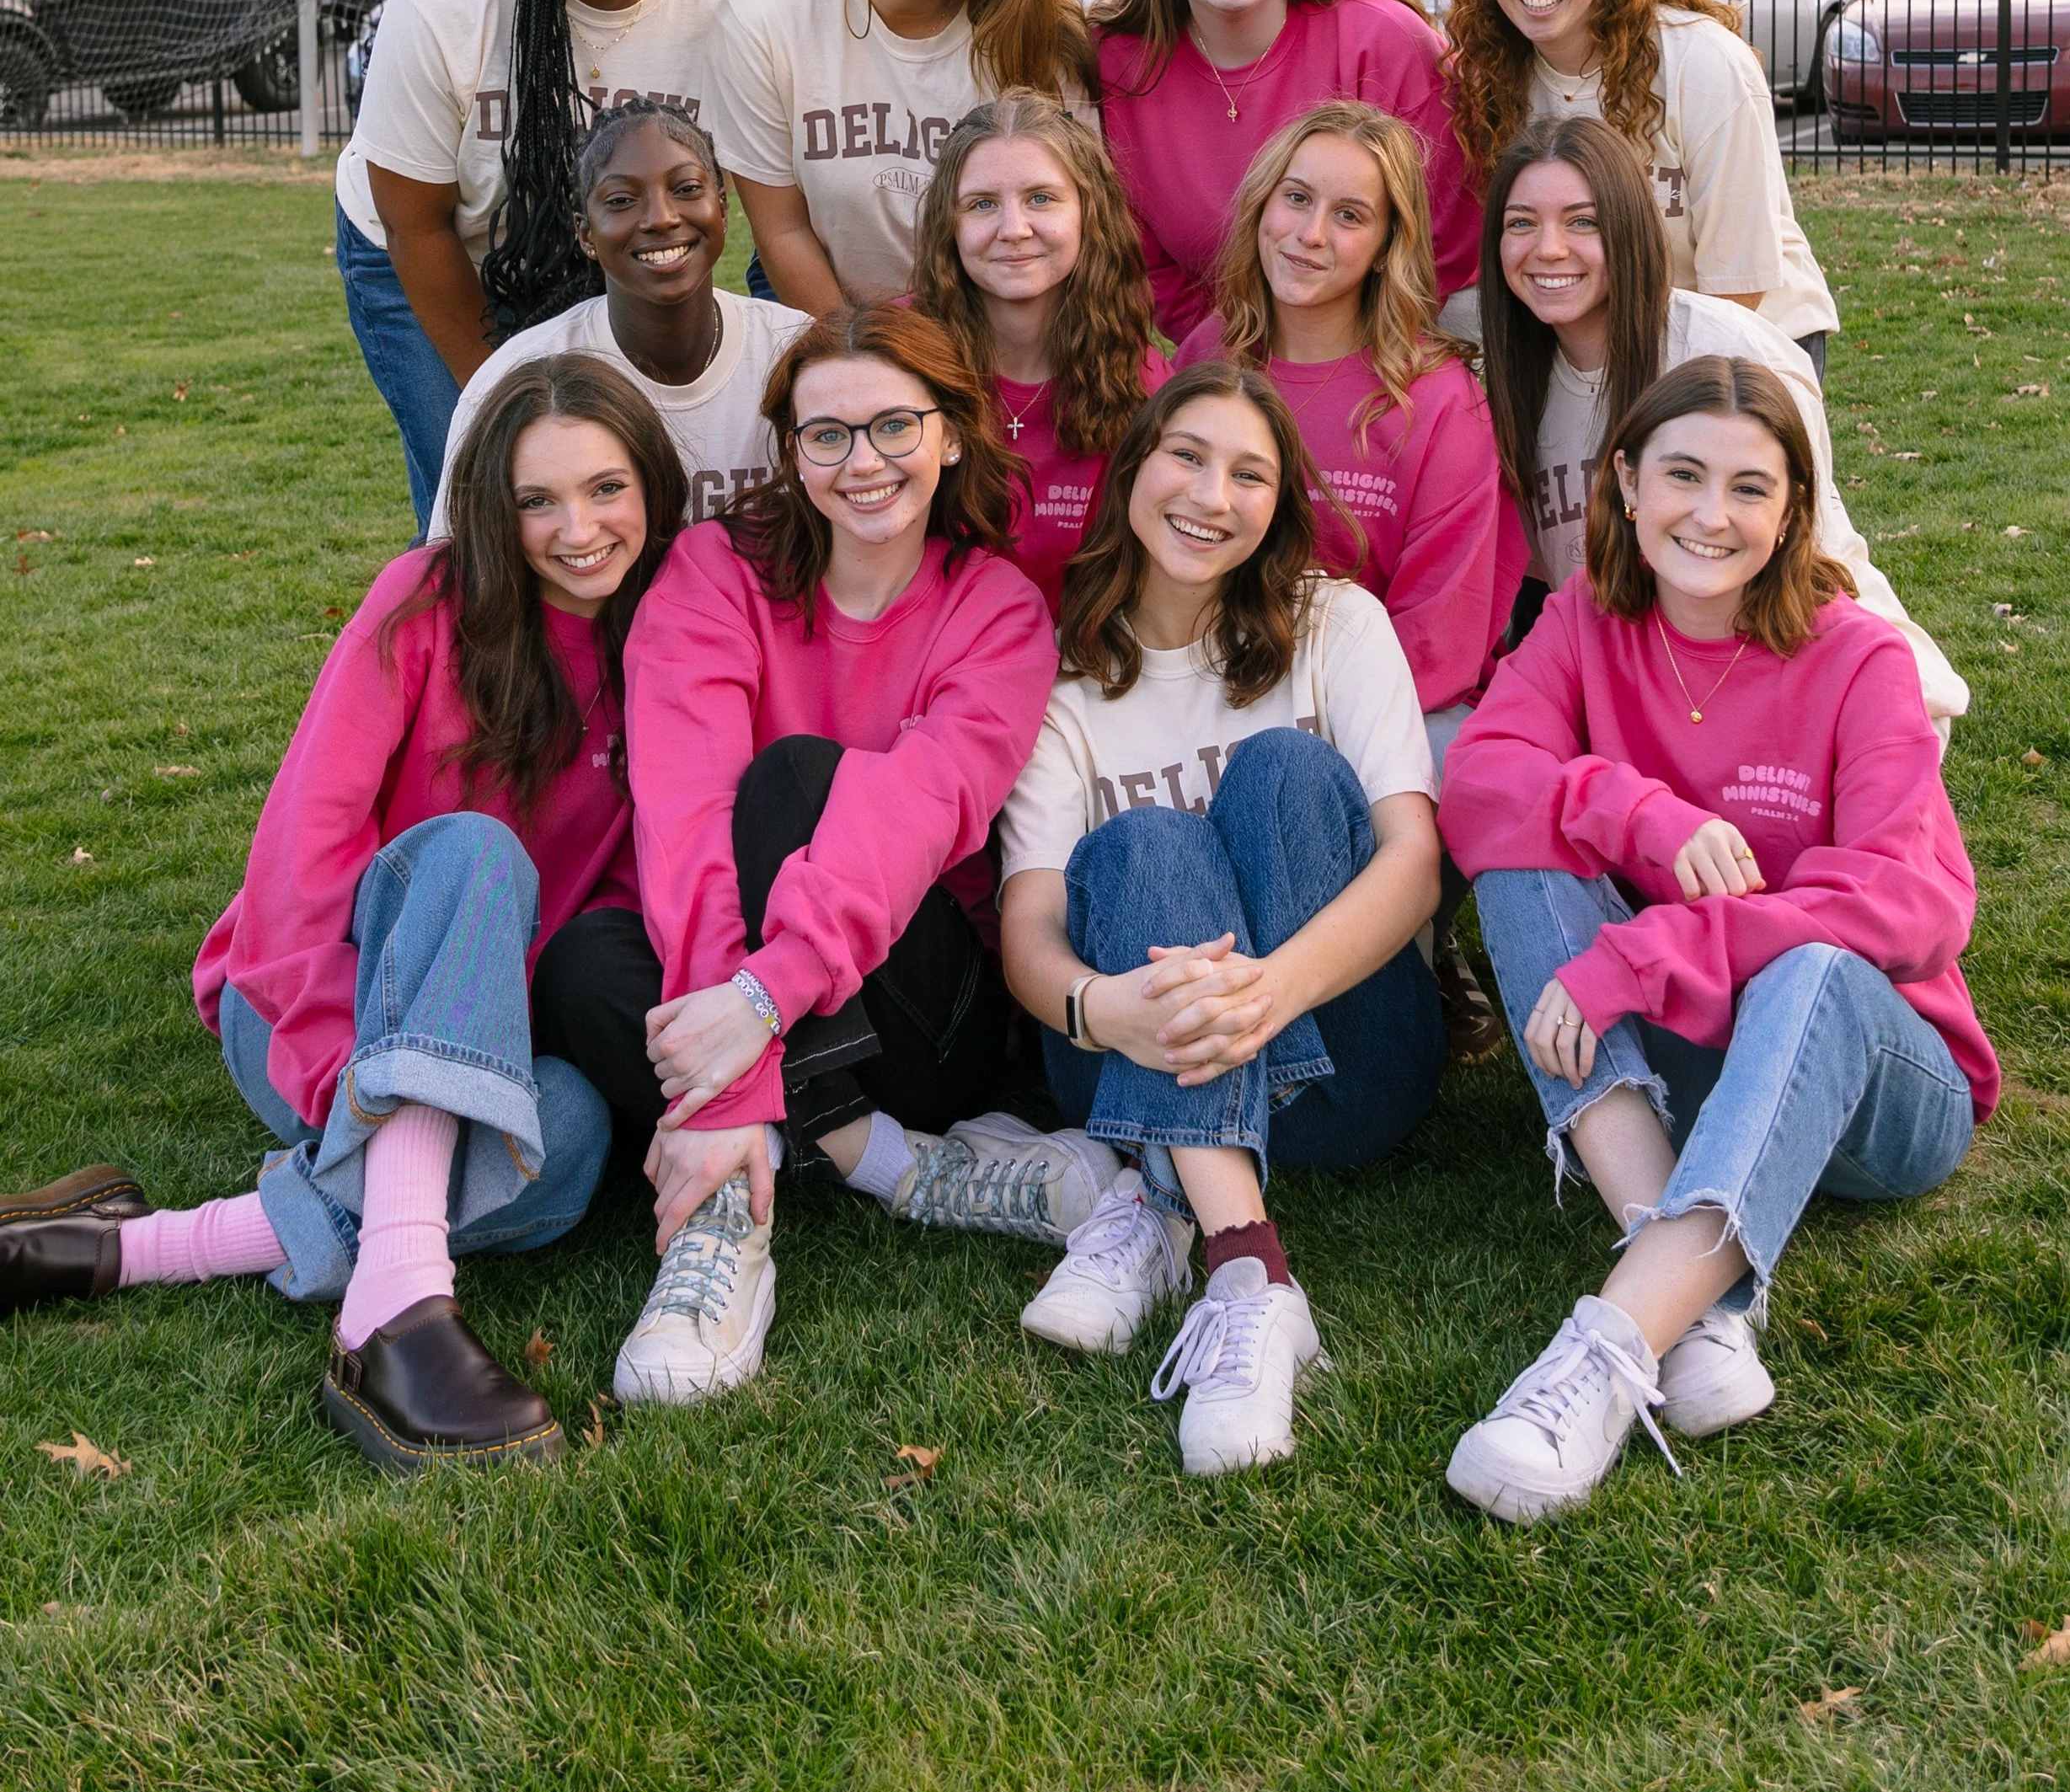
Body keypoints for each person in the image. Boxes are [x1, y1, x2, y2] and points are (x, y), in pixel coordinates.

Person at [0, 359, 690, 1474]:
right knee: (472, 853)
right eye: (537, 499)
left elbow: (626, 891)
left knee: (566, 1136)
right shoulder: (424, 600)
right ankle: (397, 1315)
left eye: (607, 489)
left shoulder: (661, 645)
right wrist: (353, 1081)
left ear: (653, 489)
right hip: (304, 1001)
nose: (578, 529)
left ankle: (126, 1248)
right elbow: (297, 858)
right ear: (491, 507)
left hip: (472, 1026)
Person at [1438, 355, 1996, 1523]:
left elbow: (1915, 904)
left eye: (1751, 487)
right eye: (1681, 476)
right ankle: (1685, 1287)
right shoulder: (1586, 619)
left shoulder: (1859, 657)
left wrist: (1649, 953)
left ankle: (1602, 1358)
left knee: (1814, 964)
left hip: (1878, 1093)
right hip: (1700, 1063)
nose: (1710, 514)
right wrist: (1636, 808)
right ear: (1627, 483)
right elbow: (1482, 783)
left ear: (1790, 510)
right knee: (1524, 854)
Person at [527, 306, 1115, 1409]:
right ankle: (864, 1163)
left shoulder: (995, 611)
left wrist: (759, 999)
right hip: (753, 998)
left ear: (950, 434)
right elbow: (684, 813)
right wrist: (738, 1057)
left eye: (895, 425)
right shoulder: (713, 573)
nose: (864, 462)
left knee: (803, 779)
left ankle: (726, 1202)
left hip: (922, 1009)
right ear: (789, 454)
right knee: (582, 965)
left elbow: (913, 812)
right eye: (826, 435)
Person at [996, 363, 1444, 1476]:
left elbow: (1415, 863)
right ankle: (1250, 1269)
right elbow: (1028, 928)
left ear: (1277, 504)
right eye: (1187, 456)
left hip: (1343, 1066)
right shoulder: (1065, 691)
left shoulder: (1336, 622)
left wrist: (1272, 989)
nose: (1213, 493)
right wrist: (1099, 1008)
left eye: (1249, 474)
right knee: (1149, 845)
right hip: (1123, 1068)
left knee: (1284, 768)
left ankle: (1160, 1203)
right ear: (1132, 472)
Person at [334, 0, 731, 529]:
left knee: (610, 482)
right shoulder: (447, 1)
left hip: (595, 256)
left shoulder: (720, 15)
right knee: (480, 489)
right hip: (421, 247)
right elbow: (415, 224)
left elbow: (707, 207)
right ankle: (452, 638)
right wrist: (500, 396)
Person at [1480, 114, 1966, 733]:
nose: (1547, 248)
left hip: (1799, 664)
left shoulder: (1730, 356)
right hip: (1645, 684)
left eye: (1583, 221)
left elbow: (1804, 570)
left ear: (1628, 228)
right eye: (1520, 222)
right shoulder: (1507, 380)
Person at [1171, 102, 1525, 765]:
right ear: (1260, 206)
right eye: (1296, 198)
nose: (1309, 234)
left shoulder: (1439, 399)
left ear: (1387, 245)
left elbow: (1438, 636)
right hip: (1213, 694)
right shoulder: (1208, 357)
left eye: (1349, 215)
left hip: (1392, 709)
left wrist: (1296, 734)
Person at [1442, 0, 1837, 371]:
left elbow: (1738, 284)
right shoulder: (1491, 74)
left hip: (1751, 338)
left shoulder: (1703, 63)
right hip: (1611, 342)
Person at [1092, 0, 1479, 344]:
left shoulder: (1384, 40)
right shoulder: (1116, 67)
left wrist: (1331, 356)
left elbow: (1449, 230)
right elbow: (1143, 261)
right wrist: (1237, 359)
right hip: (1227, 361)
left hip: (1375, 347)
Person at [706, 0, 1091, 314]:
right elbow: (784, 229)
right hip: (825, 295)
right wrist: (860, 360)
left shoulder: (1041, 36)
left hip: (997, 307)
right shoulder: (763, 13)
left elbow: (1075, 228)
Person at [426, 100, 809, 540]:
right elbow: (458, 567)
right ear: (585, 233)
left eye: (686, 189)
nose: (661, 218)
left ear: (722, 209)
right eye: (622, 200)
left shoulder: (796, 353)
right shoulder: (518, 378)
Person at [908, 90, 1165, 617]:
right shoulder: (898, 354)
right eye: (982, 204)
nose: (1013, 229)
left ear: (1087, 212)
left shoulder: (1140, 381)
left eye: (1041, 199)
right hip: (922, 656)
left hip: (1085, 662)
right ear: (949, 226)